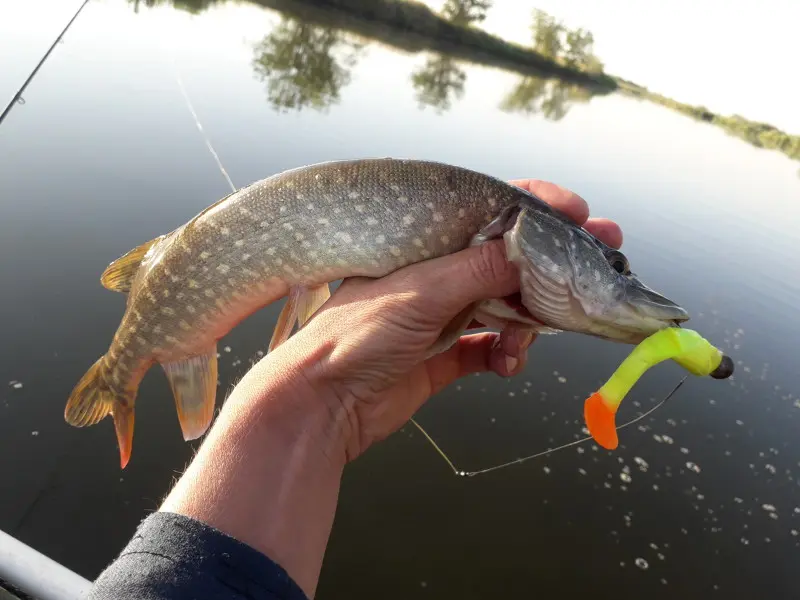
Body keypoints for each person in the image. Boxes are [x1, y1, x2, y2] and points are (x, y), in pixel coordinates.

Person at [88, 179, 622, 599]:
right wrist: (319, 400)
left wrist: (320, 400)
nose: (616, 277)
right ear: (518, 238)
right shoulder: (500, 244)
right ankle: (120, 377)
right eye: (612, 268)